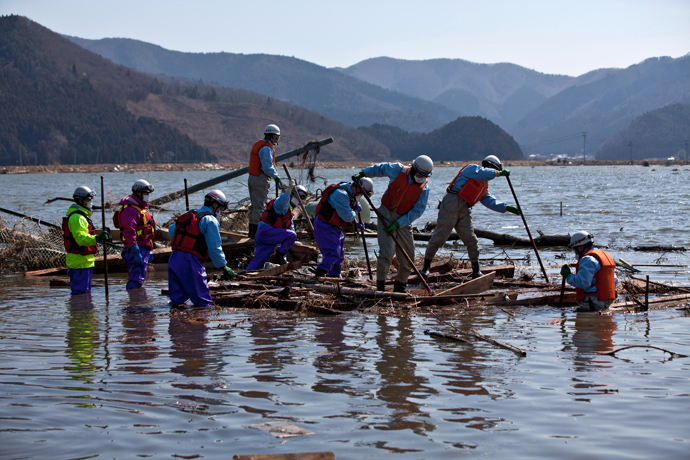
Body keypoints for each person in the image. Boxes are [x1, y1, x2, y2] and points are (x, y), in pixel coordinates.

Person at [420, 155, 520, 280]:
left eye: (495, 170)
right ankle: (426, 268)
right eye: (493, 169)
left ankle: (476, 271)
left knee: (471, 240)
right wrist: (499, 173)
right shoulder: (472, 169)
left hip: (465, 209)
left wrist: (506, 208)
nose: (493, 172)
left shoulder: (483, 187)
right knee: (440, 236)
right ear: (487, 165)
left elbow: (490, 201)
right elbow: (483, 173)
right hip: (452, 202)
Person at [352, 155, 432, 293]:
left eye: (424, 176)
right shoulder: (398, 170)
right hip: (386, 213)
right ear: (414, 168)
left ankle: (400, 287)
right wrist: (364, 173)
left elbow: (418, 210)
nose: (421, 177)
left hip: (404, 218)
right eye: (419, 174)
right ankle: (381, 287)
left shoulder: (424, 187)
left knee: (408, 257)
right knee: (387, 253)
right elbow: (380, 168)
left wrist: (399, 223)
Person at [167, 190, 235, 308]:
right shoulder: (210, 220)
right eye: (219, 209)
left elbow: (171, 231)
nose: (219, 212)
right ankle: (201, 324)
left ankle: (176, 324)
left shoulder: (188, 214)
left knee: (177, 301)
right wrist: (223, 265)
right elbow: (214, 248)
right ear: (214, 205)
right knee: (203, 301)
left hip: (174, 258)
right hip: (190, 260)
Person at [313, 177, 374, 278]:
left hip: (335, 226)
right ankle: (319, 274)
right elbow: (348, 216)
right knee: (333, 252)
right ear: (358, 188)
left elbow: (348, 211)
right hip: (325, 225)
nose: (361, 196)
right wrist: (354, 210)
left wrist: (356, 223)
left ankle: (334, 276)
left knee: (340, 253)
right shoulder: (340, 194)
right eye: (362, 194)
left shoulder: (350, 192)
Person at [246, 184, 309, 270]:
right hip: (266, 232)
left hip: (266, 236)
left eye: (300, 199)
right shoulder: (282, 204)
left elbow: (290, 228)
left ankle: (247, 274)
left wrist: (294, 242)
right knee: (292, 235)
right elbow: (282, 201)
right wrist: (288, 191)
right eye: (297, 197)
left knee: (258, 260)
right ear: (291, 194)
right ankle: (279, 256)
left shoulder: (289, 213)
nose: (297, 200)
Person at [62, 186, 109, 295]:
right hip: (79, 263)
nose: (90, 203)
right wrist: (97, 238)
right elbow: (81, 238)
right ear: (80, 200)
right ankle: (79, 311)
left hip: (83, 262)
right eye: (88, 200)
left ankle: (83, 311)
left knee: (84, 294)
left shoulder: (81, 216)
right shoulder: (78, 218)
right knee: (80, 294)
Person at [113, 179, 156, 289]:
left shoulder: (141, 208)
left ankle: (137, 301)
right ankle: (135, 303)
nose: (147, 196)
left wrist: (149, 249)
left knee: (139, 278)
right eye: (146, 194)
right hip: (136, 248)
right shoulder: (130, 210)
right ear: (138, 193)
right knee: (136, 279)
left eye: (148, 194)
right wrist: (135, 251)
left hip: (144, 247)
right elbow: (129, 231)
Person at [561, 231, 618, 312]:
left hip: (593, 301)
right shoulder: (604, 256)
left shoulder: (587, 259)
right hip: (605, 300)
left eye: (575, 250)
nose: (575, 253)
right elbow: (615, 280)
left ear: (580, 248)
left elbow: (583, 283)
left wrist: (568, 276)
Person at [247, 124, 283, 239]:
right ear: (270, 136)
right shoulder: (266, 148)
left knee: (254, 206)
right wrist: (276, 177)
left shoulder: (259, 144)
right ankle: (257, 234)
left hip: (253, 178)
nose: (277, 140)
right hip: (260, 179)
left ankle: (252, 232)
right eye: (276, 138)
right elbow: (267, 167)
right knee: (259, 206)